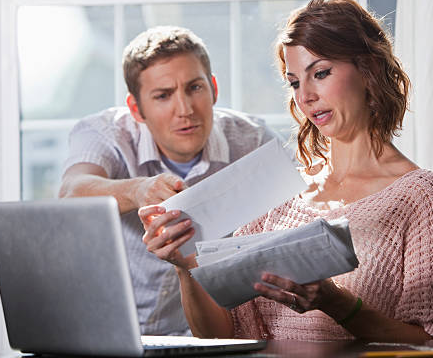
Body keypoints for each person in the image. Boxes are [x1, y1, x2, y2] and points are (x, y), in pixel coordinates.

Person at [140, 0, 433, 343]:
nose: (306, 96)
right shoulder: (278, 192)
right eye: (295, 82)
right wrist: (185, 266)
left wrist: (335, 302)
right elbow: (222, 336)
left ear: (369, 70)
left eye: (321, 73)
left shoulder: (421, 196)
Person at [58, 26, 285, 335]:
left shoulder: (253, 140)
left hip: (205, 335)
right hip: (108, 333)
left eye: (194, 88)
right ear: (136, 109)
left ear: (214, 88)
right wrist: (138, 189)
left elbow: (299, 214)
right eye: (163, 96)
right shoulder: (105, 134)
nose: (185, 109)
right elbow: (71, 193)